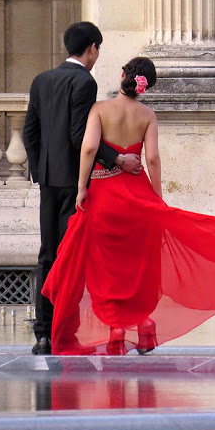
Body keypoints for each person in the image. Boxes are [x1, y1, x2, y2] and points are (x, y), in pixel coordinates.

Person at [41, 56, 215, 355]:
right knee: (140, 266)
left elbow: (90, 147)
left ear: (122, 76)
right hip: (138, 197)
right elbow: (153, 159)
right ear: (147, 87)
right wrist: (156, 200)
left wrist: (81, 188)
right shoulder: (147, 115)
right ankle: (143, 323)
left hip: (104, 196)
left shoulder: (99, 109)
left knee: (107, 268)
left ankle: (117, 327)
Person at [23, 22, 143, 355]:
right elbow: (81, 137)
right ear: (92, 48)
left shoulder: (41, 80)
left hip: (48, 181)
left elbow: (29, 132)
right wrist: (117, 158)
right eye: (97, 50)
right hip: (75, 182)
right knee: (71, 259)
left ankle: (43, 333)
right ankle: (65, 333)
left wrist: (40, 170)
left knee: (48, 256)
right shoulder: (83, 81)